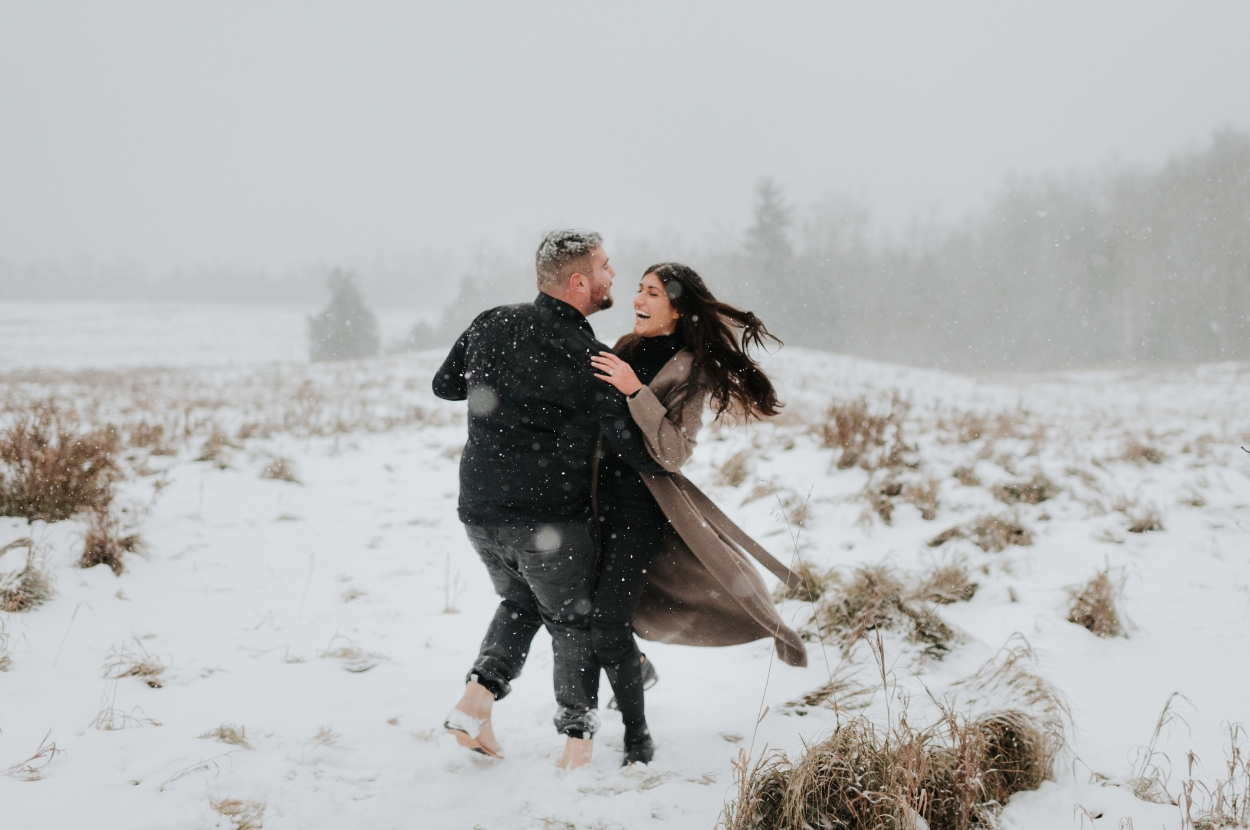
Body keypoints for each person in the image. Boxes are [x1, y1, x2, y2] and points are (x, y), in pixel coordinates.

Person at [433, 230, 665, 769]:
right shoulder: (592, 360)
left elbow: (446, 386)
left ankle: (476, 699)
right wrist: (632, 392)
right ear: (580, 281)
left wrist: (503, 384)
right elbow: (645, 456)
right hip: (549, 523)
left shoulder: (492, 322)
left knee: (521, 602)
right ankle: (577, 750)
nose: (614, 277)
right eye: (606, 268)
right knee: (573, 622)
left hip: (480, 511)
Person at [587, 262, 808, 766]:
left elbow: (672, 451)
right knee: (583, 612)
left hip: (643, 510)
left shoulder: (691, 370)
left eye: (652, 294)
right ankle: (635, 666)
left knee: (608, 617)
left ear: (677, 308)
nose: (638, 300)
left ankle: (636, 737)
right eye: (638, 290)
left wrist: (633, 391)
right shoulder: (623, 348)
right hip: (593, 502)